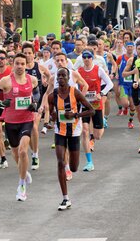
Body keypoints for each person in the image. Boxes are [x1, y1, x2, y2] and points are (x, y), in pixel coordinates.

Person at [0, 53, 39, 202]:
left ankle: (21, 186)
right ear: (13, 63)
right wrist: (1, 104)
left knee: (23, 151)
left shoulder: (32, 80)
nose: (20, 66)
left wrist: (34, 103)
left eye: (23, 64)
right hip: (11, 122)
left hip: (27, 120)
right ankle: (24, 172)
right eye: (17, 63)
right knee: (16, 154)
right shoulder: (6, 81)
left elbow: (36, 94)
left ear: (26, 64)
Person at [48, 67, 94, 210]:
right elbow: (51, 113)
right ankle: (65, 198)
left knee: (74, 167)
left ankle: (71, 168)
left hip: (74, 131)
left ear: (68, 78)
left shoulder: (75, 92)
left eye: (63, 75)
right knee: (61, 162)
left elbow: (91, 110)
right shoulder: (52, 96)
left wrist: (75, 115)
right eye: (59, 75)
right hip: (59, 131)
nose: (61, 78)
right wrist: (52, 117)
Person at [78, 49, 113, 171]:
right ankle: (89, 162)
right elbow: (74, 85)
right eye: (84, 57)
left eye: (88, 57)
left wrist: (102, 93)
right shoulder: (80, 71)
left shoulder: (98, 69)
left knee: (98, 135)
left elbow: (110, 84)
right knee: (85, 131)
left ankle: (100, 122)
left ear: (92, 58)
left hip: (97, 104)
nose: (86, 59)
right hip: (85, 105)